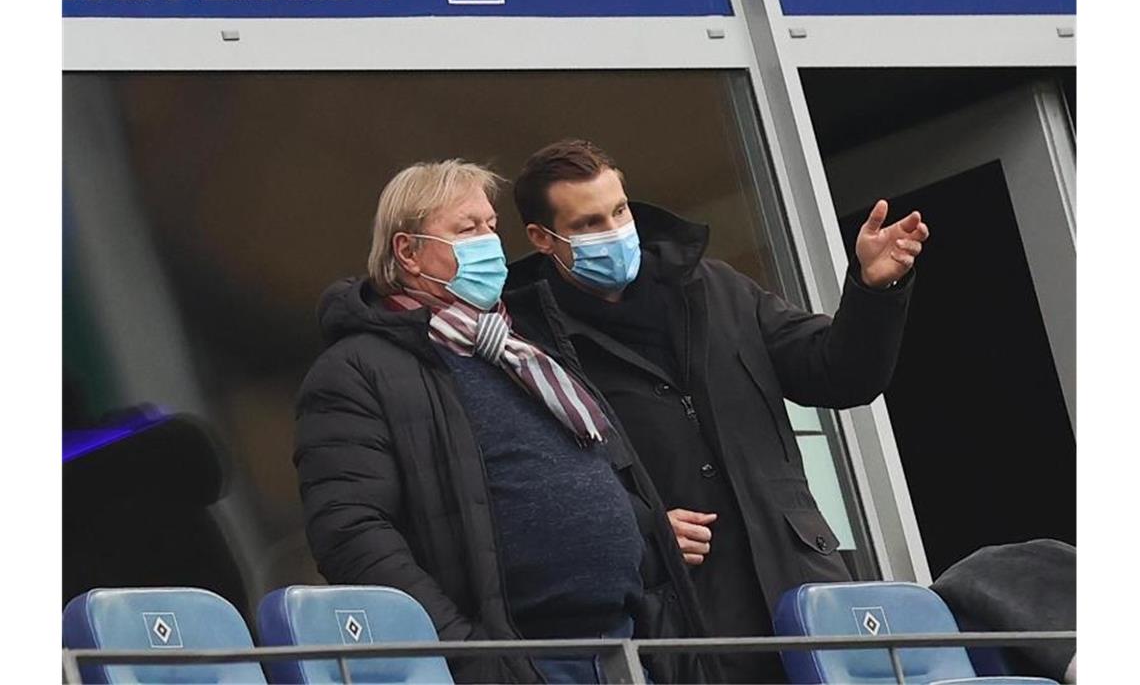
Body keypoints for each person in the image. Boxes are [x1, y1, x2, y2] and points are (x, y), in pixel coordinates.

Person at [506, 139, 929, 683]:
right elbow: (532, 489)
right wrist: (635, 527)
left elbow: (838, 374)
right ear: (543, 238)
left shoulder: (716, 287)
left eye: (619, 210)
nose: (613, 231)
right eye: (588, 224)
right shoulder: (529, 343)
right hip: (677, 613)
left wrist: (874, 288)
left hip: (795, 587)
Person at [294, 160, 714, 684]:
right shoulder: (358, 371)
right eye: (466, 229)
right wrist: (473, 655)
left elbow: (581, 473)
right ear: (408, 251)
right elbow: (352, 535)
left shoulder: (520, 353)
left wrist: (643, 530)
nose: (488, 243)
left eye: (491, 226)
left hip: (622, 648)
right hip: (517, 661)